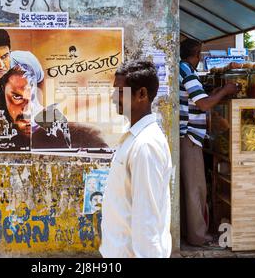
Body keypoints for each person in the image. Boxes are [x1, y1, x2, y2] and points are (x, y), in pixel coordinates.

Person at [100, 60, 173, 258]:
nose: (114, 97)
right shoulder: (133, 137)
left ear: (141, 94)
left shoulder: (145, 145)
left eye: (120, 91)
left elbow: (147, 219)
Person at [179, 39, 237, 247]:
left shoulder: (182, 70)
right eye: (200, 54)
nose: (200, 57)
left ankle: (187, 231)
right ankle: (198, 236)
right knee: (196, 189)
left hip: (186, 136)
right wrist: (225, 91)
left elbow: (200, 98)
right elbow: (203, 104)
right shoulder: (186, 70)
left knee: (188, 188)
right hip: (190, 136)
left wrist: (215, 93)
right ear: (196, 55)